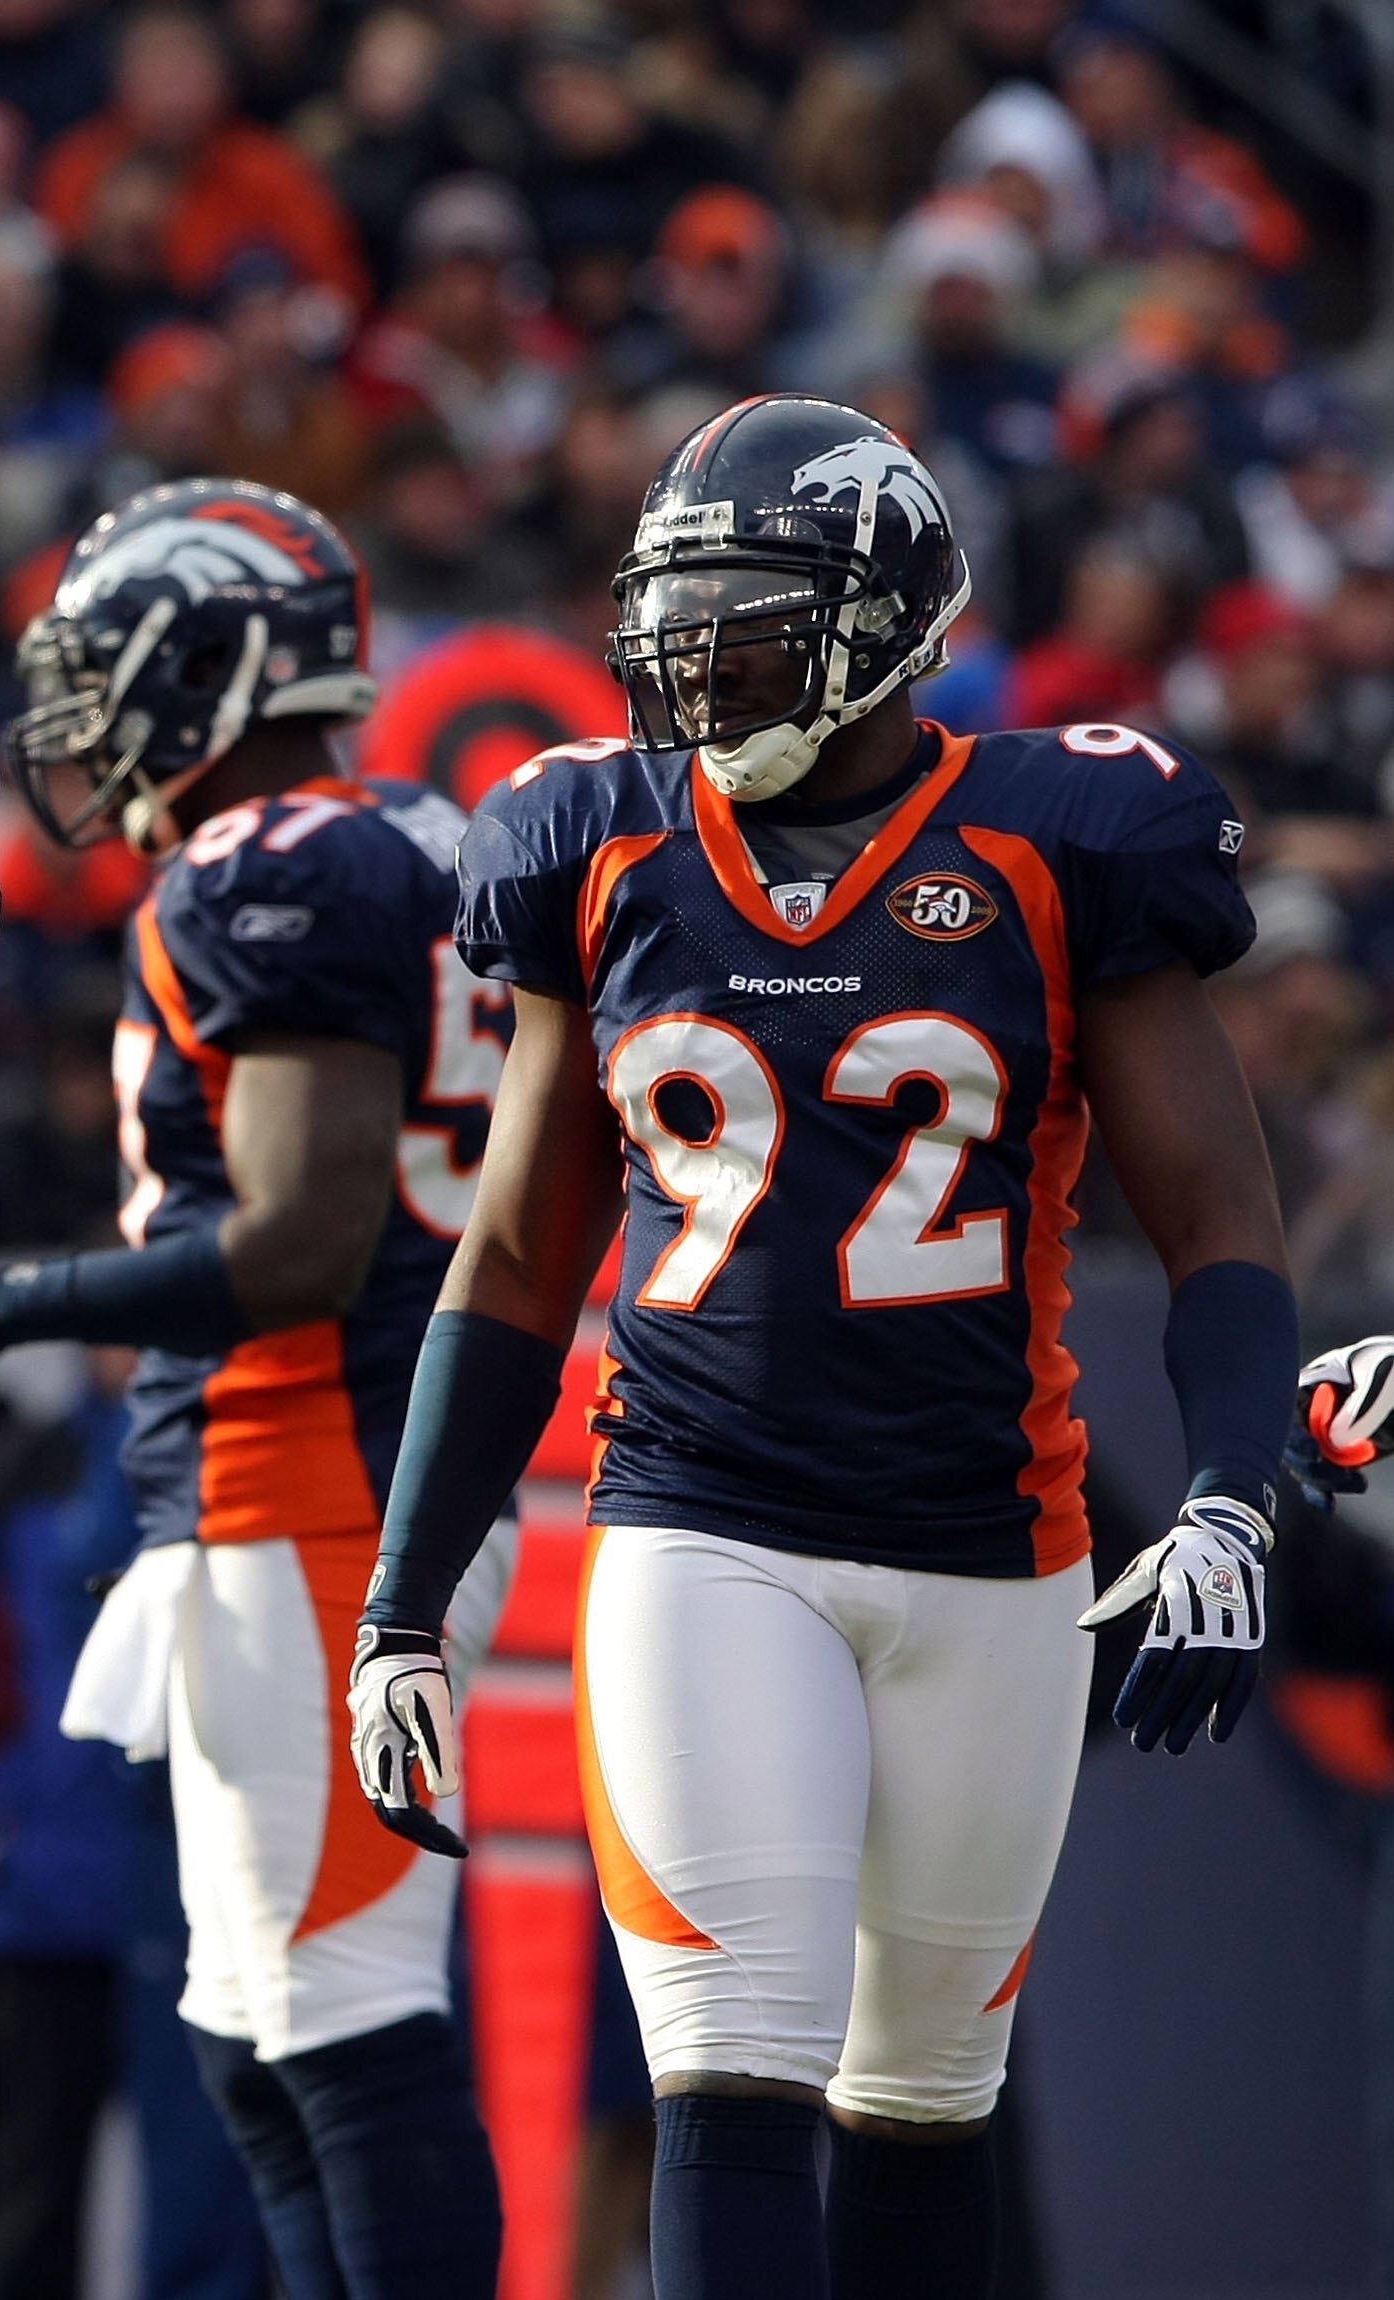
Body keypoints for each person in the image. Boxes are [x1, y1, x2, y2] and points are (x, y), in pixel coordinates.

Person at [351, 396, 1294, 2300]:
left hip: (993, 1544)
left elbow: (1219, 1221)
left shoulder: (1058, 834)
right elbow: (521, 1256)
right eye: (678, 618)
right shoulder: (600, 842)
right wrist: (403, 1600)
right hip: (705, 1525)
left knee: (930, 2099)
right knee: (729, 2066)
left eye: (753, 617)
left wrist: (1226, 1504)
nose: (698, 662)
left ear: (889, 623)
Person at [0, 480, 511, 2298]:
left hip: (326, 1466)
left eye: (117, 674)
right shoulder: (409, 835)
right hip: (309, 1470)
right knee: (249, 2031)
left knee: (341, 2023)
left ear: (227, 666)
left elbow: (294, 1241)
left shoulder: (274, 862)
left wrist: (7, 1302)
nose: (90, 724)